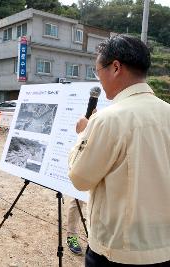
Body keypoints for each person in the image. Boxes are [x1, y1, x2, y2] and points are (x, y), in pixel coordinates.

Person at [68, 34, 170, 266]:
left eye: (97, 70)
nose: (98, 78)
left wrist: (84, 134)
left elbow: (79, 178)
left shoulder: (107, 119)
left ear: (115, 67)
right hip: (164, 248)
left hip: (117, 251)